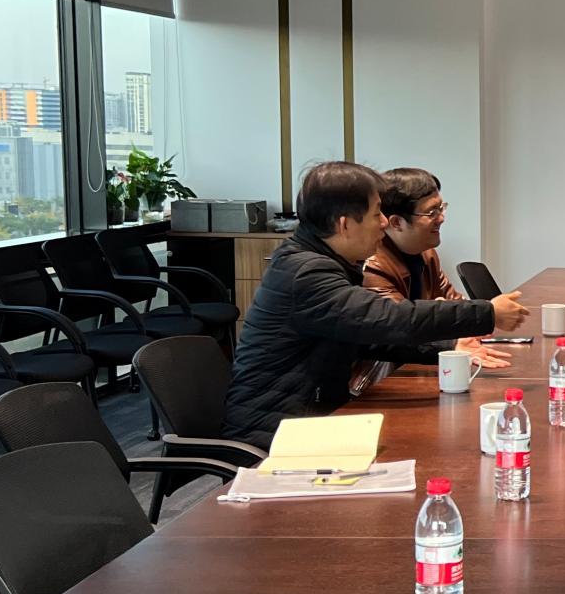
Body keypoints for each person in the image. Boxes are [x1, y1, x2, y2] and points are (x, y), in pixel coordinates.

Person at [223, 161, 528, 444]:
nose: (384, 223)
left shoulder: (324, 263)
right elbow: (389, 318)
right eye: (376, 214)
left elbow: (367, 337)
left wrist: (447, 346)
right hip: (277, 436)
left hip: (308, 420)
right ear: (345, 225)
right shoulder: (307, 273)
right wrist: (487, 312)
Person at [364, 167, 510, 371]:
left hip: (421, 363)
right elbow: (398, 327)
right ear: (396, 222)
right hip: (385, 373)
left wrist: (447, 316)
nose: (441, 218)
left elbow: (454, 304)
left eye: (441, 208)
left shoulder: (426, 252)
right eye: (432, 212)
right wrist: (443, 318)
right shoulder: (372, 265)